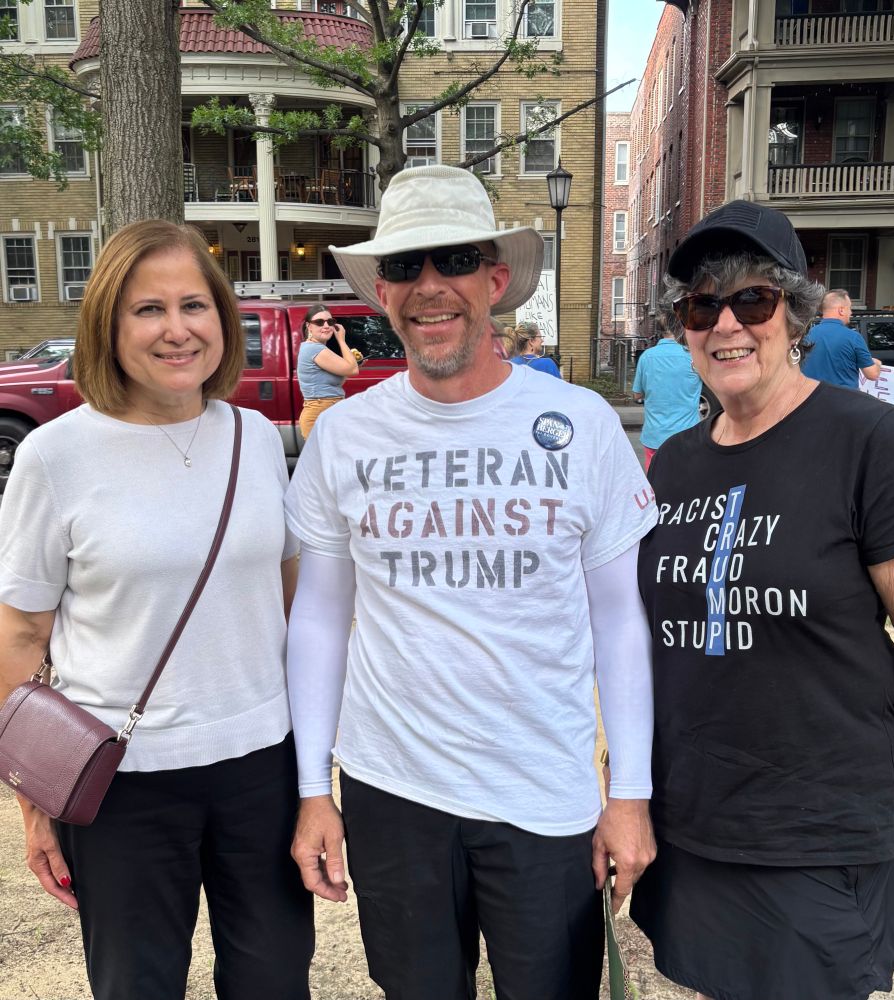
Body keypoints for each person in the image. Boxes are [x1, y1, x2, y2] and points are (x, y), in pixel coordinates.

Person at [284, 163, 658, 1000]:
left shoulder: (584, 426)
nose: (429, 288)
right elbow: (316, 619)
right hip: (392, 790)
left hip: (543, 791)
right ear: (381, 291)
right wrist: (314, 789)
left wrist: (629, 791)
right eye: (405, 268)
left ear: (495, 281)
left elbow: (620, 621)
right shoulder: (345, 437)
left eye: (451, 260)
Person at [630, 199, 894, 1000]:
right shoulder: (674, 466)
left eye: (752, 301)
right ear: (683, 328)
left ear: (794, 314)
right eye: (703, 306)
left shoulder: (867, 441)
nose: (726, 324)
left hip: (815, 821)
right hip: (696, 815)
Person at [0, 221, 314, 1000]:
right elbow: (19, 631)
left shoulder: (252, 435)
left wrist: (315, 775)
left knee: (274, 978)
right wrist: (34, 802)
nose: (177, 330)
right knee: (138, 984)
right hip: (119, 782)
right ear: (108, 325)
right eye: (147, 310)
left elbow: (287, 597)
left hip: (260, 766)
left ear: (222, 318)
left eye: (194, 305)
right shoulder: (56, 455)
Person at [632, 310, 701, 469]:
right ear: (681, 329)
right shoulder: (693, 357)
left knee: (656, 483)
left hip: (654, 436)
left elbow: (637, 394)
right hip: (687, 435)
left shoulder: (647, 357)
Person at [296, 302, 359, 439]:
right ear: (309, 326)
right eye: (319, 322)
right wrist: (341, 339)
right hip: (319, 413)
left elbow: (340, 378)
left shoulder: (317, 349)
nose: (326, 326)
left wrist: (353, 365)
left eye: (330, 322)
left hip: (329, 410)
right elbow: (352, 369)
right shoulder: (314, 349)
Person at [802, 288, 881, 388]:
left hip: (811, 398)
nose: (851, 313)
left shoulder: (806, 335)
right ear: (841, 310)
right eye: (850, 308)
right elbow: (872, 374)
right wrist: (878, 364)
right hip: (844, 400)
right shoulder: (853, 337)